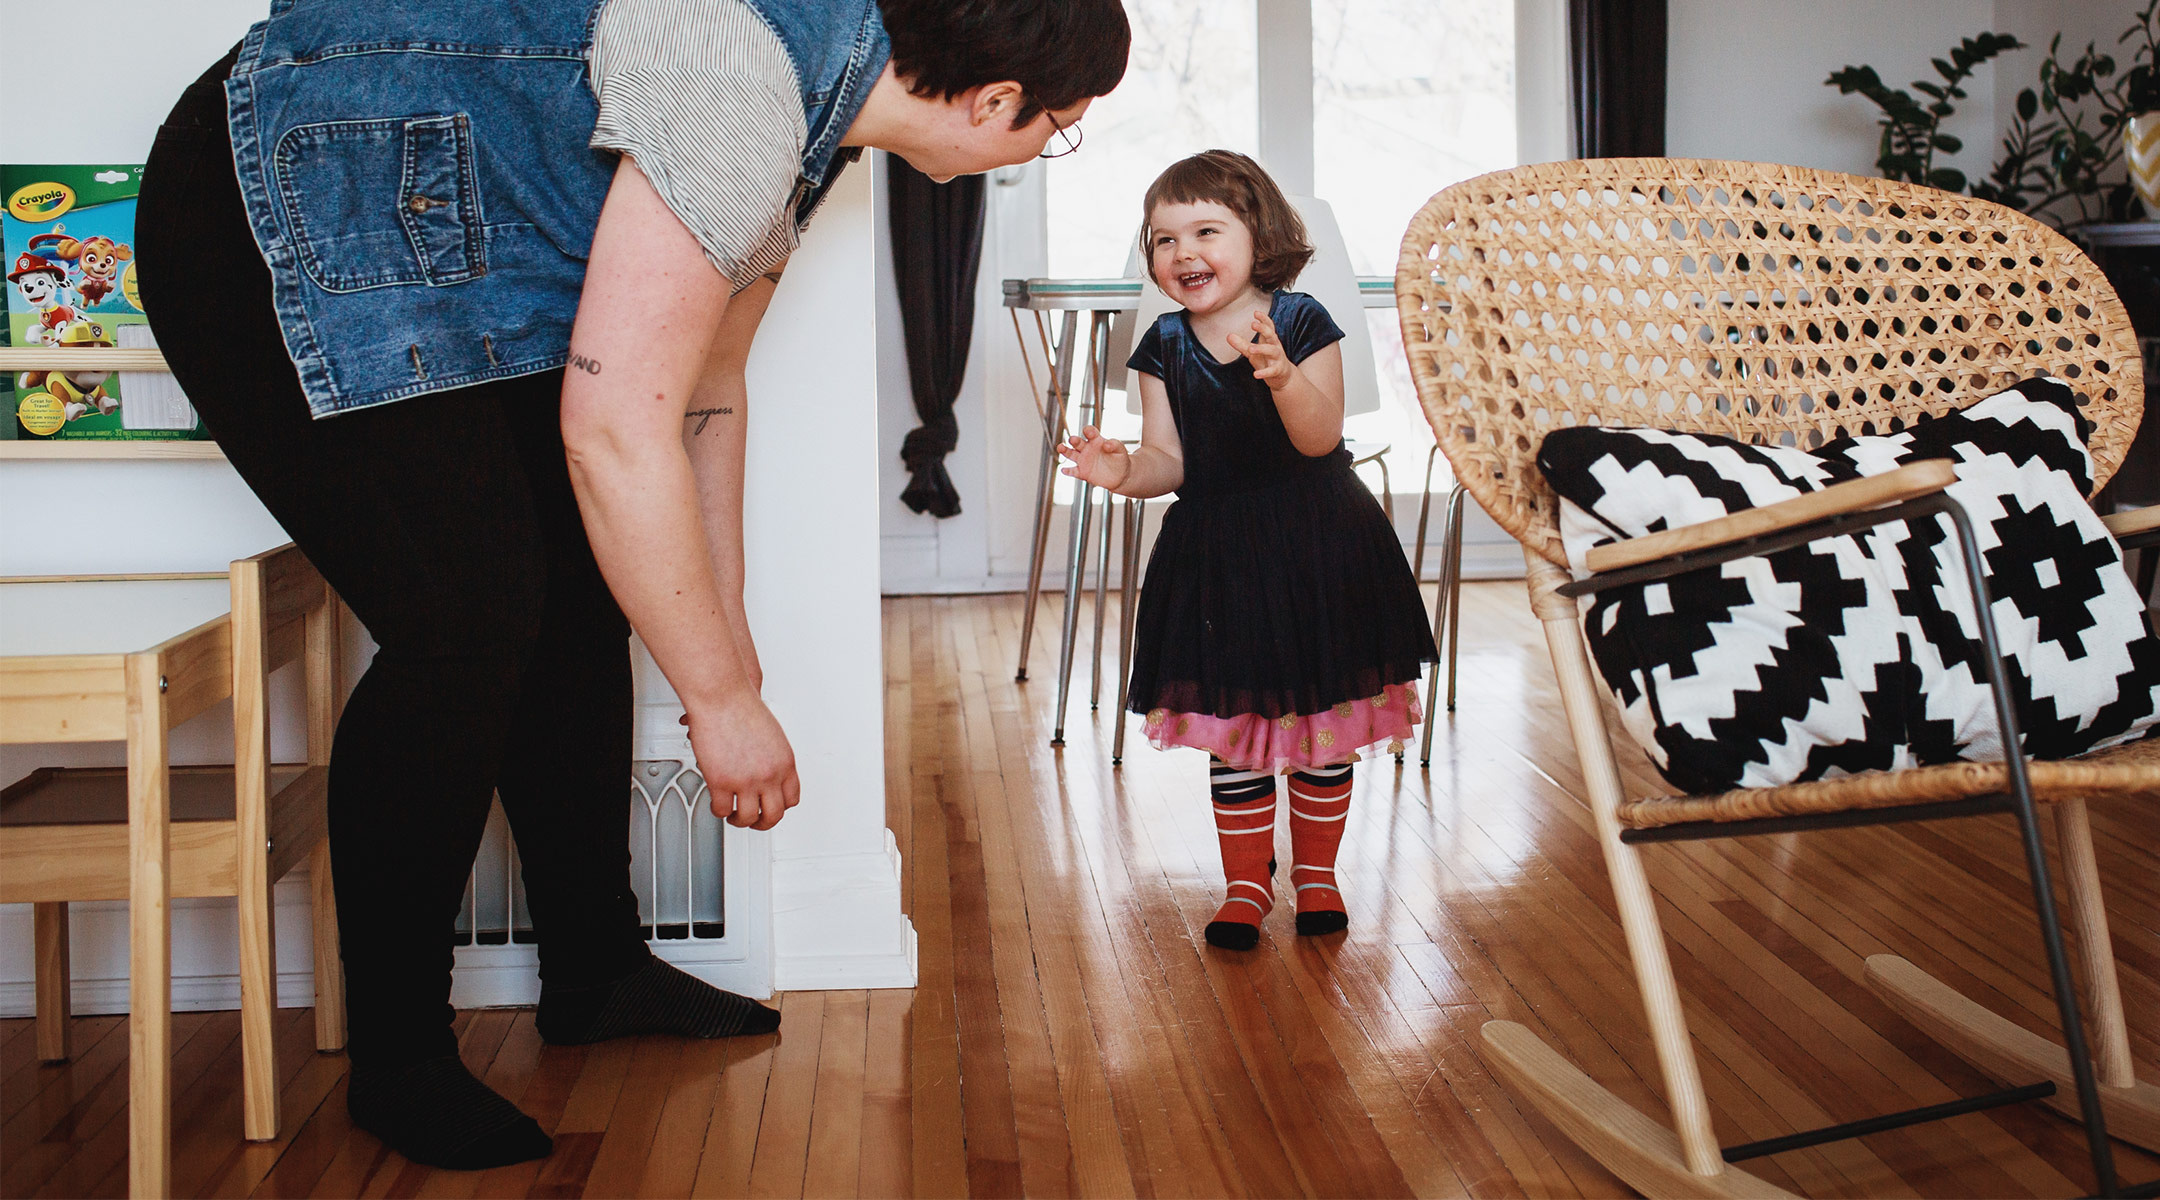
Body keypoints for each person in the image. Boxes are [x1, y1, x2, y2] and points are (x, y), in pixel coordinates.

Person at [134, 0, 1128, 1171]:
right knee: (468, 612)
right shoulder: (740, 102)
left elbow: (704, 395)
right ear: (995, 101)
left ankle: (594, 967)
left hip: (435, 228)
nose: (1037, 152)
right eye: (1058, 129)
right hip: (260, 196)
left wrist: (733, 659)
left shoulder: (812, 113)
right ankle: (399, 1061)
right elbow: (617, 433)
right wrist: (719, 707)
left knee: (575, 572)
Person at [1059, 150, 1435, 952]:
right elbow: (1171, 461)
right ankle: (1244, 885)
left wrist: (1281, 376)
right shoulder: (1162, 343)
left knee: (1323, 728)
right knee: (1236, 729)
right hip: (1219, 555)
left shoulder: (1299, 322)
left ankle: (1319, 877)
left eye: (1205, 231)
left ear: (1257, 234)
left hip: (1319, 545)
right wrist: (1118, 469)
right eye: (1163, 240)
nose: (1183, 252)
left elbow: (1319, 436)